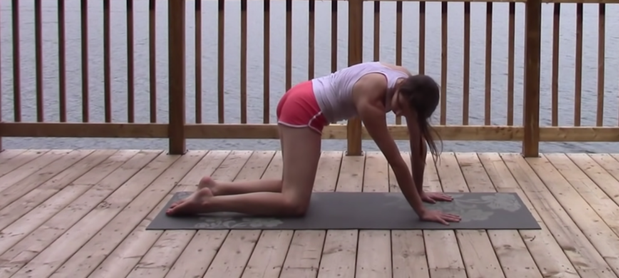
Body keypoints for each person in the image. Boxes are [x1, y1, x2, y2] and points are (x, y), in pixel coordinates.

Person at [166, 61, 462, 225]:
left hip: (301, 97)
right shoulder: (370, 100)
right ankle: (208, 202)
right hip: (303, 110)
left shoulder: (406, 83)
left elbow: (416, 143)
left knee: (290, 184)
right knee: (294, 204)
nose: (398, 113)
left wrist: (420, 190)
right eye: (398, 106)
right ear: (400, 91)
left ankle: (217, 186)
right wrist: (420, 212)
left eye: (406, 113)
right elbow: (396, 161)